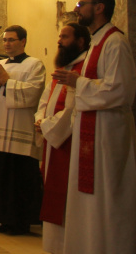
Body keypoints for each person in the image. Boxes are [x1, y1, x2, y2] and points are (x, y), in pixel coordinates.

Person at [52, 0, 136, 253]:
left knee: (110, 197)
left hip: (108, 133)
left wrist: (78, 82)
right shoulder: (96, 41)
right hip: (91, 128)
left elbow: (121, 90)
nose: (77, 9)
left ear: (100, 7)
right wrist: (78, 83)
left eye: (82, 4)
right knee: (90, 199)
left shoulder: (115, 42)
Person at [0, 25, 45, 235]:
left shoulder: (35, 65)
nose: (7, 43)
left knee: (20, 176)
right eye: (5, 40)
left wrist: (8, 83)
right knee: (0, 175)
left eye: (12, 40)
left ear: (23, 41)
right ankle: (2, 219)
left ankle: (21, 221)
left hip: (21, 129)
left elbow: (34, 92)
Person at [34, 23, 91, 254]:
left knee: (67, 202)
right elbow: (45, 101)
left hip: (68, 144)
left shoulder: (82, 71)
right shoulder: (63, 69)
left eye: (65, 37)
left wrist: (47, 125)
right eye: (59, 36)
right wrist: (40, 119)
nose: (59, 41)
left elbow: (73, 109)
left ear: (79, 41)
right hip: (53, 140)